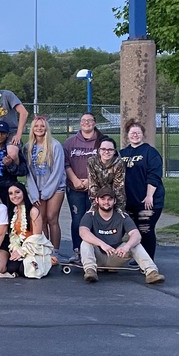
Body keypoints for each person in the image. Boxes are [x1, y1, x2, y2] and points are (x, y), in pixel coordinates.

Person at [79, 186, 164, 284]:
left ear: (114, 201)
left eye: (109, 199)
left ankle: (151, 272)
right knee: (86, 242)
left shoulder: (122, 216)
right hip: (97, 257)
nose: (106, 202)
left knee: (135, 243)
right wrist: (102, 244)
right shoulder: (90, 215)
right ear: (97, 200)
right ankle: (90, 271)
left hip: (116, 255)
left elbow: (136, 235)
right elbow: (83, 232)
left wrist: (126, 247)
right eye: (103, 199)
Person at [119, 118, 165, 260]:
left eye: (138, 133)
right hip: (129, 201)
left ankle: (147, 260)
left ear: (143, 135)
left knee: (145, 230)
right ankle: (132, 258)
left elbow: (154, 175)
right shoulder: (122, 154)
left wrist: (149, 195)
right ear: (127, 135)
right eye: (132, 133)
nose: (135, 135)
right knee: (133, 231)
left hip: (148, 201)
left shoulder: (150, 153)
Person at [24, 115, 67, 263]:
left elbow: (58, 171)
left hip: (55, 188)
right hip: (38, 189)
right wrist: (35, 193)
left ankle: (55, 251)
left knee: (52, 219)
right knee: (41, 220)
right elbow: (28, 173)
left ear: (46, 128)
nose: (39, 129)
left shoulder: (55, 146)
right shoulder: (27, 147)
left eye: (42, 126)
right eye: (36, 126)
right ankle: (44, 249)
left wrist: (47, 192)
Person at [63, 113, 103, 263]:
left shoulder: (101, 141)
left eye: (90, 120)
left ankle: (95, 252)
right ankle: (77, 251)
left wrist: (90, 180)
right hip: (75, 189)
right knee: (78, 220)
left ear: (94, 123)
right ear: (80, 123)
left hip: (96, 189)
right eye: (83, 120)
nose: (86, 123)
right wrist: (74, 179)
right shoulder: (70, 142)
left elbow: (106, 162)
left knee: (95, 219)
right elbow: (65, 163)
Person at [5, 182, 50, 277]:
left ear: (24, 193)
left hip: (33, 247)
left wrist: (21, 251)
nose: (14, 196)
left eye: (17, 192)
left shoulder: (33, 211)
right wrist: (15, 249)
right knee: (11, 268)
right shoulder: (13, 211)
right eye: (11, 193)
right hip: (18, 246)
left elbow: (37, 237)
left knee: (29, 270)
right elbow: (14, 235)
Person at [88, 136, 126, 207]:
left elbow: (119, 188)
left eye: (110, 149)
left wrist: (118, 208)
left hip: (114, 198)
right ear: (99, 150)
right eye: (103, 149)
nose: (106, 152)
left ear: (114, 151)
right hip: (98, 198)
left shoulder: (119, 164)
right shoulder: (92, 162)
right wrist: (96, 205)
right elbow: (93, 185)